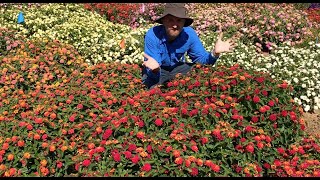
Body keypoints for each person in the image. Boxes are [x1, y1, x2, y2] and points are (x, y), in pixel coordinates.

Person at [142, 3, 236, 89]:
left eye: (179, 20)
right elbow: (152, 66)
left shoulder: (189, 34)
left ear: (184, 23)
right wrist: (155, 71)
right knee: (151, 87)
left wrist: (214, 54)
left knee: (201, 72)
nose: (175, 25)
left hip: (177, 69)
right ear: (164, 21)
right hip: (159, 70)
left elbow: (201, 60)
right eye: (171, 20)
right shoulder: (153, 35)